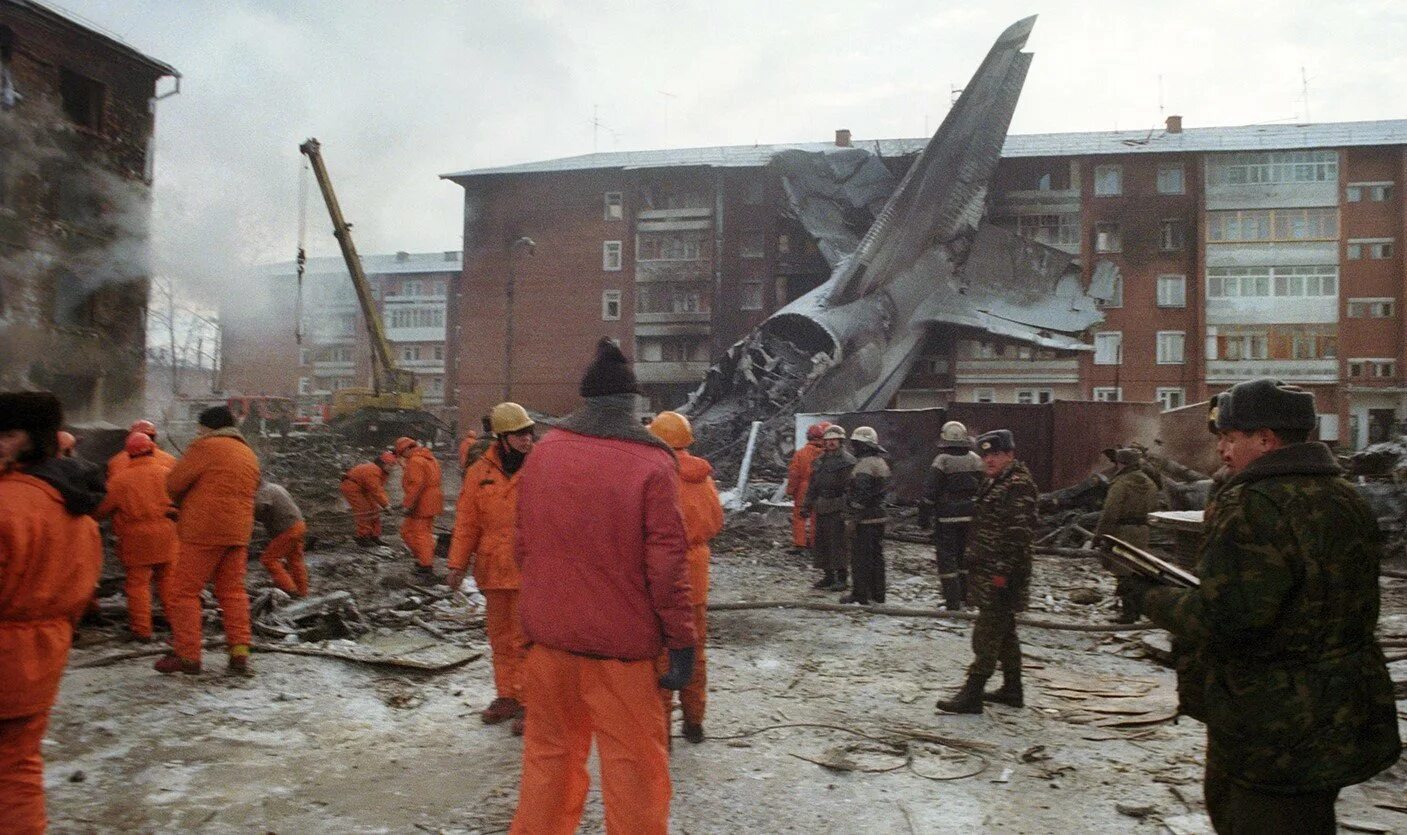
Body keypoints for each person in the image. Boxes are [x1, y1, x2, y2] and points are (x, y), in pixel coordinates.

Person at [1127, 379, 1400, 834]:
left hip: (1271, 723)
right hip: (1339, 712)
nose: (1222, 450)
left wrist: (1148, 596)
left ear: (1266, 440)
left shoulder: (1253, 504)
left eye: (1230, 438)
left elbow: (1227, 620)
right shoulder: (1345, 496)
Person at [511, 338, 695, 835]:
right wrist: (682, 640)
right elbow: (667, 568)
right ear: (631, 404)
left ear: (586, 400)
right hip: (621, 655)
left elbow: (522, 547)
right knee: (634, 770)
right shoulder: (652, 463)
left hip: (550, 642)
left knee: (548, 761)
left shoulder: (544, 454)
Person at [0, 391, 103, 833]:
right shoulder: (77, 509)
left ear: (31, 439)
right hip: (42, 657)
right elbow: (81, 593)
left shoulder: (8, 504)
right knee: (17, 767)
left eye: (6, 433)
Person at [447, 402, 536, 736]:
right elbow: (467, 522)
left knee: (527, 640)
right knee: (500, 639)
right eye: (519, 434)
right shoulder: (479, 472)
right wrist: (457, 564)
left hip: (530, 570)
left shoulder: (542, 468)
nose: (526, 439)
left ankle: (530, 702)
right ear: (502, 437)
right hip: (493, 568)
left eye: (529, 433)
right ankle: (507, 696)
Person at [936, 429, 1037, 714]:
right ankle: (1013, 689)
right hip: (989, 570)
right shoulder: (995, 482)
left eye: (996, 454)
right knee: (1005, 633)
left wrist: (1002, 576)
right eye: (986, 455)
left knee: (986, 633)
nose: (989, 460)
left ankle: (972, 693)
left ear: (1010, 455)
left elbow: (1017, 537)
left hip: (1002, 574)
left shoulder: (1017, 485)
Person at [156, 405, 261, 676]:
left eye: (200, 428)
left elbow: (174, 484)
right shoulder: (247, 452)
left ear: (208, 427)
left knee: (184, 593)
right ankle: (239, 653)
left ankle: (188, 656)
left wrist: (183, 502)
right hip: (238, 531)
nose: (198, 432)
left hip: (204, 530)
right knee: (233, 592)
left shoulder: (205, 446)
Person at [648, 410, 724, 745]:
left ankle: (660, 734)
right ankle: (694, 722)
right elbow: (716, 521)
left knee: (663, 655)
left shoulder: (657, 476)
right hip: (696, 576)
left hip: (663, 574)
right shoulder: (703, 477)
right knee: (694, 649)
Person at [94, 431, 179, 641]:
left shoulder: (120, 480)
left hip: (136, 538)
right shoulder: (168, 473)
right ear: (152, 449)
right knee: (168, 581)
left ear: (128, 453)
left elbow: (101, 510)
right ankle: (177, 623)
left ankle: (142, 631)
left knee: (138, 585)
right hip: (167, 533)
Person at [1095, 446, 1159, 624]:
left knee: (1123, 572)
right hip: (1142, 531)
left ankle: (1128, 613)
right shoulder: (1150, 483)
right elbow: (1154, 508)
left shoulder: (1120, 484)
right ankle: (1137, 609)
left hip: (1123, 532)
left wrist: (1099, 535)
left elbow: (1110, 513)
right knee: (1137, 571)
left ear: (1121, 463)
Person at [923, 420, 983, 611]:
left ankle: (952, 601)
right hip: (971, 516)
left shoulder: (942, 460)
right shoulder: (975, 459)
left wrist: (924, 517)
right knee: (964, 557)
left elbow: (930, 491)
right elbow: (985, 487)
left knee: (947, 559)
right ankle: (966, 598)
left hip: (947, 517)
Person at [841, 426, 889, 606]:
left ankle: (860, 595)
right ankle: (878, 594)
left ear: (863, 446)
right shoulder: (880, 462)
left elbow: (861, 494)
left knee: (860, 557)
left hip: (865, 518)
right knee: (876, 556)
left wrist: (853, 517)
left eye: (856, 444)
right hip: (879, 515)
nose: (854, 447)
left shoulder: (864, 465)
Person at [803, 425, 854, 592]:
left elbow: (851, 488)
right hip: (822, 505)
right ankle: (828, 576)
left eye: (834, 440)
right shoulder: (820, 461)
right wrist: (807, 505)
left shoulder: (847, 462)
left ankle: (842, 578)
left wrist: (847, 508)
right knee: (822, 542)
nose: (831, 443)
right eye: (828, 440)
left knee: (838, 543)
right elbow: (813, 486)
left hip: (838, 506)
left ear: (841, 441)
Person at [396, 436, 443, 580]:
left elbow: (415, 485)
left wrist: (407, 505)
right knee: (409, 532)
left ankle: (426, 566)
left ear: (406, 449)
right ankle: (424, 558)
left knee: (420, 534)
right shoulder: (429, 458)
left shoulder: (415, 461)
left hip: (421, 503)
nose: (402, 457)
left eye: (402, 454)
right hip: (430, 501)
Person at [255, 480, 308, 598]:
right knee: (295, 561)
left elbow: (258, 507)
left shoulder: (264, 491)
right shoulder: (275, 487)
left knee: (269, 560)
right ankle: (302, 593)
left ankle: (290, 590)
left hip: (287, 529)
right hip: (299, 524)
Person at [784, 422, 829, 553]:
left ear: (809, 436)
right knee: (816, 517)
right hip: (821, 489)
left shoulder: (801, 454)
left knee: (799, 516)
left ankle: (800, 544)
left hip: (803, 489)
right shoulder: (827, 454)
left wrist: (790, 490)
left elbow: (794, 474)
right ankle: (815, 544)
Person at [342, 452, 396, 546]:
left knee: (374, 509)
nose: (392, 468)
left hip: (363, 487)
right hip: (351, 486)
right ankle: (363, 537)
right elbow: (376, 490)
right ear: (383, 463)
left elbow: (378, 489)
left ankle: (374, 536)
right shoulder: (373, 470)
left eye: (393, 465)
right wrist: (386, 505)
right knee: (364, 510)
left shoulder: (383, 472)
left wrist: (385, 504)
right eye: (390, 465)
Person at [106, 418, 176, 480]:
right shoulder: (170, 460)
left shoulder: (115, 462)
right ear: (154, 438)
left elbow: (112, 485)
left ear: (130, 437)